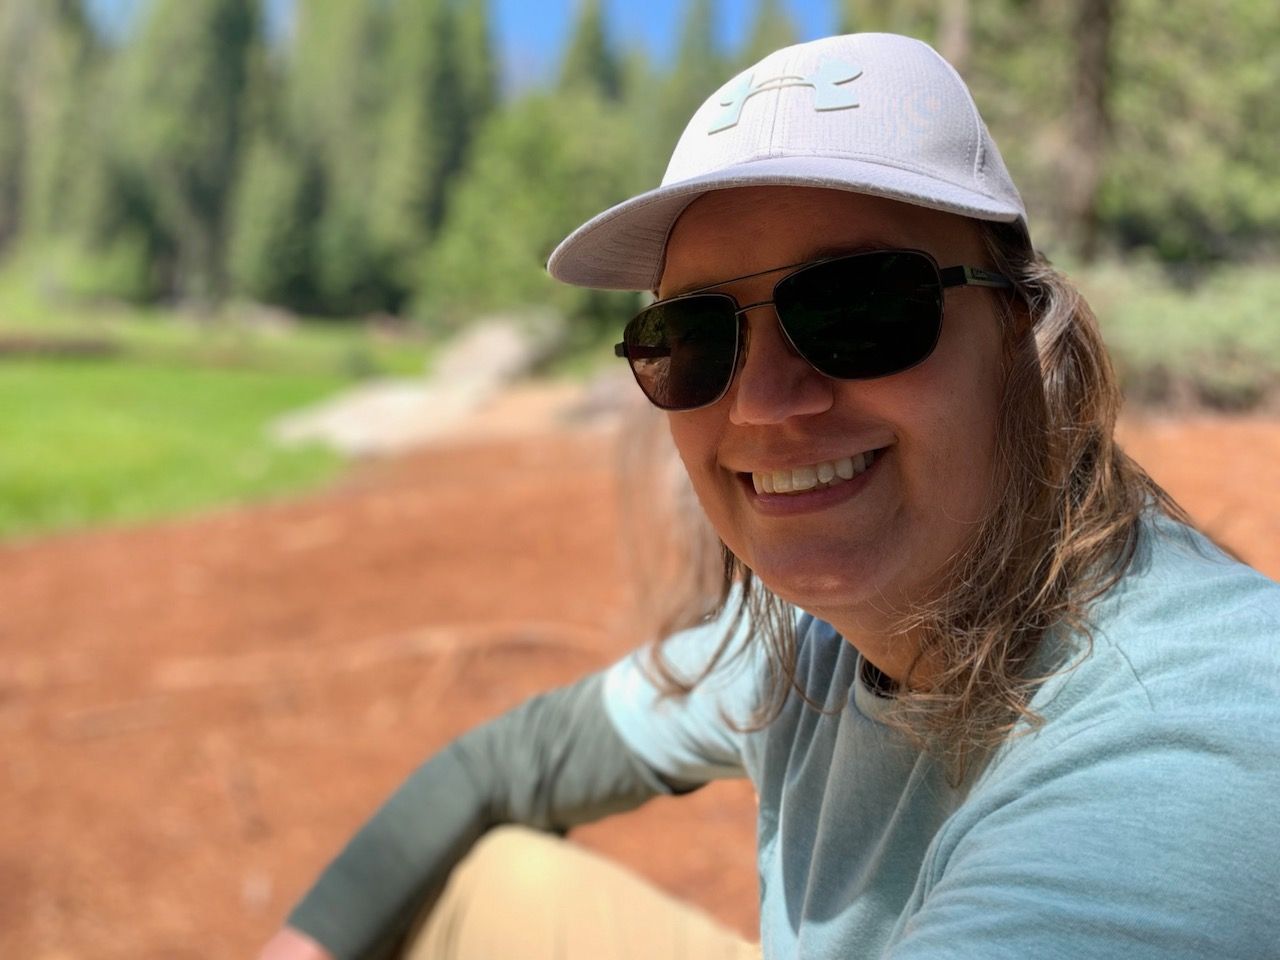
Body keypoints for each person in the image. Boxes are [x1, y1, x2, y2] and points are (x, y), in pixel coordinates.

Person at [260, 32, 1280, 960]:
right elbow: (512, 761)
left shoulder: (1184, 756)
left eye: (857, 308)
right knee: (488, 887)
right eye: (694, 335)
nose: (760, 401)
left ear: (1020, 328)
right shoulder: (810, 647)